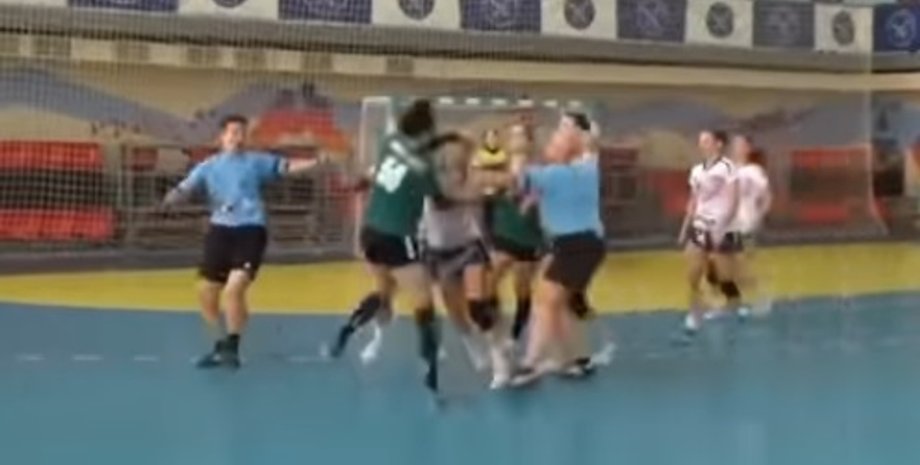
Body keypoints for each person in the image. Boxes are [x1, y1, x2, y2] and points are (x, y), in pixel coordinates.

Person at [161, 114, 321, 369]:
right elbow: (185, 188)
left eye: (243, 133)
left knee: (233, 290)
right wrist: (173, 197)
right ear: (222, 137)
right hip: (220, 231)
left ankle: (233, 346)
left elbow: (286, 166)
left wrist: (316, 161)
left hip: (250, 230)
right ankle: (219, 344)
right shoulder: (208, 166)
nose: (239, 137)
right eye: (234, 132)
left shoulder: (256, 161)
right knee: (206, 291)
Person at [328, 100, 443, 393]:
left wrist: (360, 182)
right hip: (398, 235)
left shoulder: (389, 143)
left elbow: (374, 175)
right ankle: (430, 368)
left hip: (371, 232)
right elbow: (439, 197)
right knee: (424, 302)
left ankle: (347, 330)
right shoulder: (425, 163)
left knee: (383, 294)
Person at [508, 112, 606, 387]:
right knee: (557, 304)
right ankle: (578, 360)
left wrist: (518, 145)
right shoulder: (588, 167)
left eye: (558, 138)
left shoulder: (552, 175)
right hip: (581, 245)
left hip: (576, 245)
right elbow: (591, 145)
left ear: (571, 147)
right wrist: (581, 134)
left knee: (544, 302)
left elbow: (517, 179)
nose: (551, 142)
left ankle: (530, 364)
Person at [419, 132, 513, 389]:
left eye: (459, 156)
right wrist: (483, 197)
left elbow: (506, 179)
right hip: (440, 252)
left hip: (469, 248)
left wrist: (515, 180)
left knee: (477, 307)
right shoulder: (432, 182)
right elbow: (445, 199)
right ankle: (472, 344)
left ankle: (500, 360)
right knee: (456, 313)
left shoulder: (474, 177)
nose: (454, 161)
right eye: (448, 157)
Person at [676, 129, 741, 341]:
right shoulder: (696, 171)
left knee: (723, 275)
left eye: (706, 140)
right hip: (700, 226)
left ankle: (733, 301)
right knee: (693, 274)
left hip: (721, 228)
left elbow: (733, 200)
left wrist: (723, 226)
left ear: (718, 144)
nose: (702, 144)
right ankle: (694, 314)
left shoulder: (727, 167)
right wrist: (685, 228)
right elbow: (694, 200)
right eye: (700, 141)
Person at [487, 124, 543, 342]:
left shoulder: (539, 171)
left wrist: (532, 199)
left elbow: (542, 197)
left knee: (521, 287)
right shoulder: (501, 169)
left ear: (530, 142)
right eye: (512, 136)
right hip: (504, 233)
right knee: (489, 281)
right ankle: (495, 324)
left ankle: (517, 330)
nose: (515, 140)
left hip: (527, 237)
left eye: (520, 136)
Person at [730, 134, 772, 316]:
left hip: (746, 225)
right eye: (734, 145)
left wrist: (758, 217)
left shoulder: (754, 171)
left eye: (740, 145)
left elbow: (766, 197)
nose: (736, 148)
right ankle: (733, 302)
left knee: (742, 264)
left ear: (748, 148)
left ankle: (760, 296)